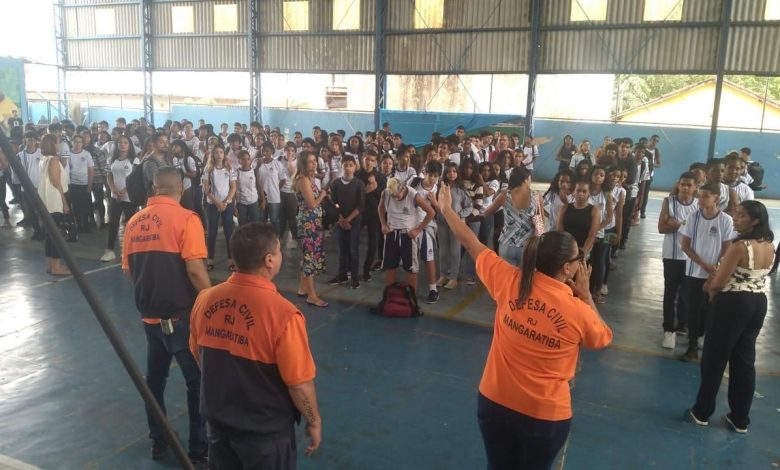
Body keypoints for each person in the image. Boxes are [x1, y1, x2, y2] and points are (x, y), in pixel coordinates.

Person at [430, 183, 612, 470]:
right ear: (567, 267)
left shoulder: (510, 281)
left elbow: (471, 243)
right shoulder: (578, 311)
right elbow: (601, 339)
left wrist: (447, 210)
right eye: (577, 258)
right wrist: (587, 294)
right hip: (544, 415)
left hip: (494, 401)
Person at [189, 223, 321, 468]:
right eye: (280, 251)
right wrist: (313, 420)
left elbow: (199, 356)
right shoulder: (284, 315)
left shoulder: (205, 300)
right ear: (269, 260)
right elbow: (299, 385)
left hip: (218, 428)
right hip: (265, 436)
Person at [121, 166, 211, 463]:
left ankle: (158, 441)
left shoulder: (134, 222)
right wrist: (210, 302)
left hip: (150, 318)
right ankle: (198, 449)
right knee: (197, 383)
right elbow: (196, 269)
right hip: (181, 318)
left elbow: (128, 270)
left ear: (154, 188)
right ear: (181, 188)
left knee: (155, 381)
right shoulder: (186, 219)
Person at [688, 201, 774, 433]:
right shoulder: (769, 245)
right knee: (744, 361)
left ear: (754, 221)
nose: (735, 218)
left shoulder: (740, 246)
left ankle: (702, 411)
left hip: (733, 303)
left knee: (715, 359)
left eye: (742, 216)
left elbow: (718, 281)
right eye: (735, 214)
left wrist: (711, 291)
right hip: (758, 302)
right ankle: (740, 418)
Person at [679, 182, 736, 361]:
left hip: (716, 275)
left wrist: (715, 270)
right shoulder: (693, 217)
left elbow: (727, 249)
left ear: (716, 199)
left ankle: (709, 344)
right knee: (693, 310)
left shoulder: (725, 220)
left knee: (711, 311)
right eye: (699, 196)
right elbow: (685, 246)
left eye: (705, 196)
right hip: (694, 273)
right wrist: (704, 265)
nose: (700, 200)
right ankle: (692, 345)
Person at [657, 172, 699, 349]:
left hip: (691, 256)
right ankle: (669, 330)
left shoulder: (698, 205)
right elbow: (661, 228)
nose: (686, 188)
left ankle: (683, 323)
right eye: (683, 184)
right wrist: (684, 227)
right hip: (672, 255)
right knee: (670, 292)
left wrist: (678, 225)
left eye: (689, 185)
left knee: (687, 293)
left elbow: (698, 232)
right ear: (678, 184)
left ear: (695, 187)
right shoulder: (669, 202)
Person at [378, 176, 435, 291]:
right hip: (391, 232)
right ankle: (390, 297)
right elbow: (380, 208)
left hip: (408, 234)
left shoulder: (413, 194)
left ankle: (411, 298)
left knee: (411, 269)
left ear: (403, 188)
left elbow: (431, 212)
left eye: (396, 195)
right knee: (390, 267)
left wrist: (418, 230)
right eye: (392, 195)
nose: (394, 197)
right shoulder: (386, 193)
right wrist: (383, 224)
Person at [295, 150, 329, 307]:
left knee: (310, 255)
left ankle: (303, 287)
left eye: (315, 160)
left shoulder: (311, 179)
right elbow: (311, 204)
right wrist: (322, 194)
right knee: (309, 257)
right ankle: (312, 295)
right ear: (303, 163)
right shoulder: (303, 180)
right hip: (308, 223)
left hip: (314, 222)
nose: (314, 163)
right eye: (310, 161)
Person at [328, 155, 366, 289]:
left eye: (351, 165)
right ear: (341, 166)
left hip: (354, 222)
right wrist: (340, 219)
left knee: (353, 250)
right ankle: (342, 274)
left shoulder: (359, 184)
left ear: (355, 167)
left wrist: (348, 220)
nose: (348, 168)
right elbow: (333, 203)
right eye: (345, 165)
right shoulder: (336, 183)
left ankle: (354, 277)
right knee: (341, 250)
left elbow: (360, 206)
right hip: (340, 221)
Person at [435, 162, 473, 290]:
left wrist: (459, 215)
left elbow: (469, 206)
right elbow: (435, 204)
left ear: (457, 173)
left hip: (456, 224)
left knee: (455, 251)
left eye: (454, 171)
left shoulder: (461, 189)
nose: (451, 174)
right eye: (449, 171)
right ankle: (443, 275)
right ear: (445, 173)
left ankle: (453, 277)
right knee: (443, 251)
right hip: (442, 223)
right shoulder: (440, 188)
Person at [38, 134, 71, 275]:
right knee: (57, 235)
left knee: (49, 235)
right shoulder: (53, 161)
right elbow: (56, 182)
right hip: (55, 201)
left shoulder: (43, 160)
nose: (58, 145)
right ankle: (56, 266)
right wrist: (65, 202)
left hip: (46, 201)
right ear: (52, 144)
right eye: (57, 143)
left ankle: (50, 264)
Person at [101, 135, 137, 262]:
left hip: (129, 197)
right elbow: (109, 175)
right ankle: (110, 250)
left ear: (129, 145)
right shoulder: (111, 159)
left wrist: (124, 190)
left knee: (131, 224)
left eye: (125, 142)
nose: (122, 145)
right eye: (120, 142)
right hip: (115, 196)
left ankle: (132, 251)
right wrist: (113, 189)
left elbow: (135, 178)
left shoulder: (134, 159)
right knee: (113, 223)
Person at [202, 144, 237, 271]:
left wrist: (226, 202)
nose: (219, 155)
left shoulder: (229, 168)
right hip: (213, 205)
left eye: (221, 152)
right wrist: (218, 203)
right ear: (213, 154)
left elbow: (233, 187)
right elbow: (206, 189)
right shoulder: (208, 169)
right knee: (212, 233)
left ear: (224, 154)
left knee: (229, 232)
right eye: (216, 152)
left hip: (226, 205)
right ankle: (210, 259)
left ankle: (231, 259)